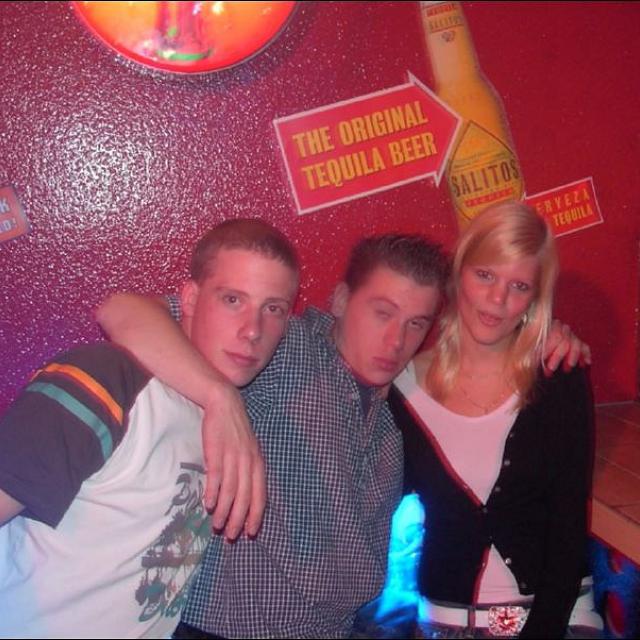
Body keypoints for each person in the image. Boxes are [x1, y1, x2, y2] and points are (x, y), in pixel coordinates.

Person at [96, 225, 588, 639]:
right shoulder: (285, 350)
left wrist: (546, 334)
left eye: (416, 324)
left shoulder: (399, 408)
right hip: (226, 629)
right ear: (340, 300)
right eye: (382, 313)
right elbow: (121, 310)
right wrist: (220, 398)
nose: (395, 340)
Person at [0, 218, 300, 639]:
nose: (253, 331)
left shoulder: (227, 424)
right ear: (190, 298)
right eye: (233, 299)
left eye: (273, 309)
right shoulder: (110, 379)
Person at [389, 201, 603, 638]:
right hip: (446, 623)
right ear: (458, 273)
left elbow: (568, 524)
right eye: (485, 275)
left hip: (557, 620)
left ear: (535, 298)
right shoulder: (400, 387)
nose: (498, 299)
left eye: (519, 285)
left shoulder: (558, 376)